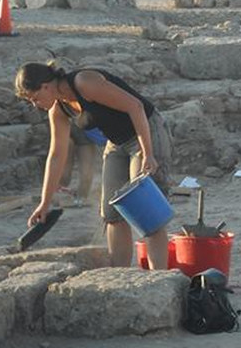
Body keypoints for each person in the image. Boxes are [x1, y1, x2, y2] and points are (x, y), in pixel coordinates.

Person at [15, 62, 173, 269]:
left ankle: (159, 277)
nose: (36, 105)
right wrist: (45, 203)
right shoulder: (59, 109)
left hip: (145, 132)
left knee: (144, 206)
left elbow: (135, 107)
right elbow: (56, 155)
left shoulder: (84, 82)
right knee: (112, 211)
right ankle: (120, 275)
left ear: (46, 86)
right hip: (117, 143)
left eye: (35, 99)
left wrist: (148, 154)